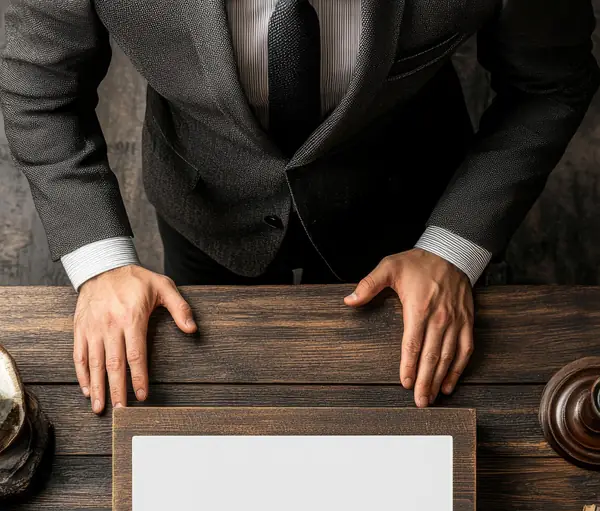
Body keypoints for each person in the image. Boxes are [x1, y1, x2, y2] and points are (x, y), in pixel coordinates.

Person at [1, 1, 598, 412]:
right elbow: (37, 92)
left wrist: (452, 247)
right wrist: (102, 264)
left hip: (407, 204)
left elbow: (549, 84)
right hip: (204, 202)